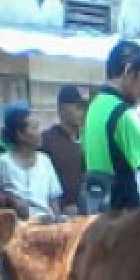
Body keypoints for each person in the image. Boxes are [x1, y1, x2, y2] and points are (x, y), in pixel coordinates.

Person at [81, 40, 140, 211]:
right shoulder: (122, 114)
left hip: (94, 211)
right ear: (128, 71)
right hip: (121, 219)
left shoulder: (94, 106)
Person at [0, 102, 63, 222]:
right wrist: (11, 200)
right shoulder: (3, 162)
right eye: (34, 128)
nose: (40, 133)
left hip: (46, 225)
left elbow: (53, 198)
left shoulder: (45, 160)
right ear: (20, 134)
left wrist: (58, 221)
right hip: (17, 228)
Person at [40, 84, 86, 215]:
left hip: (82, 211)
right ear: (62, 110)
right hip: (56, 214)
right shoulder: (46, 140)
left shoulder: (83, 141)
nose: (82, 113)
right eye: (77, 108)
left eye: (83, 108)